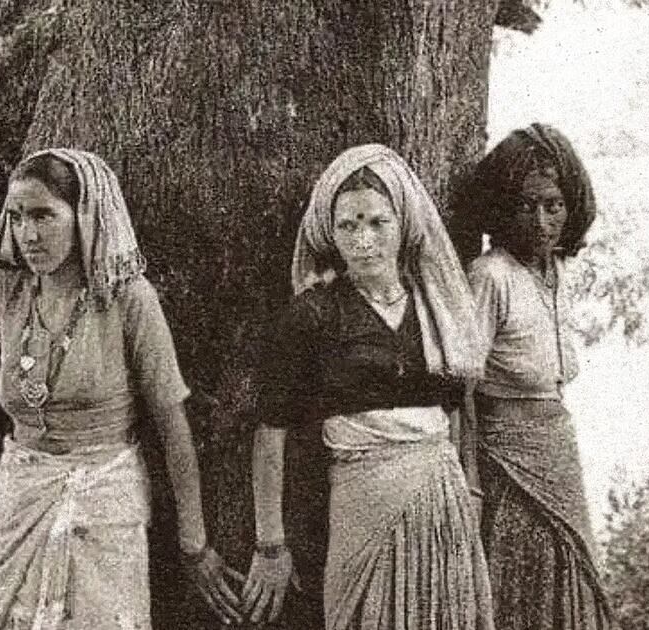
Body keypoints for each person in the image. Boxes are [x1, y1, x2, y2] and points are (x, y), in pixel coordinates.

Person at [0, 148, 242, 629]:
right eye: (15, 217)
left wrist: (194, 543)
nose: (27, 234)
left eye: (43, 216)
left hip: (104, 499)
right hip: (19, 497)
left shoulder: (127, 299)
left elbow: (171, 423)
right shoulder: (4, 291)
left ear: (84, 216)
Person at [246, 144, 494, 629]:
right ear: (329, 233)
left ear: (402, 224)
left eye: (378, 223)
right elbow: (270, 430)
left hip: (443, 505)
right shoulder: (315, 314)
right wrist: (270, 545)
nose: (363, 240)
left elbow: (459, 406)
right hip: (360, 502)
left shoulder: (437, 310)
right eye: (348, 226)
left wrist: (472, 487)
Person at [466, 123, 614, 630]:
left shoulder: (557, 273)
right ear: (502, 207)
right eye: (525, 205)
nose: (541, 220)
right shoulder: (491, 276)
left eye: (553, 205)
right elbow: (461, 384)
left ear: (571, 206)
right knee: (520, 580)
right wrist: (469, 474)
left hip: (556, 447)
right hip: (506, 455)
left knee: (572, 568)